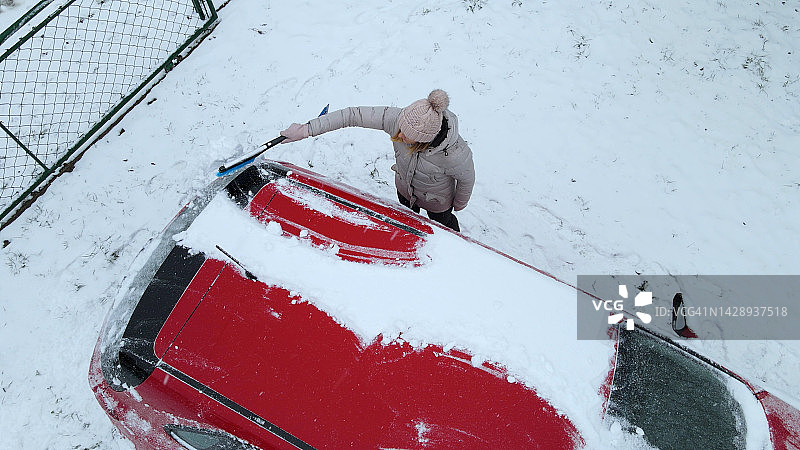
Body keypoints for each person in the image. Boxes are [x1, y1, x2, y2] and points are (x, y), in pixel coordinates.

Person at [280, 89, 475, 232]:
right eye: (400, 127)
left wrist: (459, 204)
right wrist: (306, 130)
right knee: (406, 221)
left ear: (424, 140)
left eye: (406, 135)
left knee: (444, 226)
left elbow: (467, 179)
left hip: (437, 202)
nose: (398, 135)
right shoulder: (397, 119)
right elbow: (352, 115)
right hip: (405, 190)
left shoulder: (455, 153)